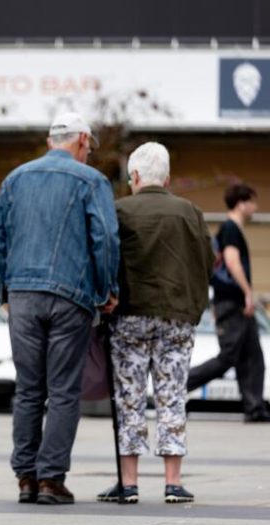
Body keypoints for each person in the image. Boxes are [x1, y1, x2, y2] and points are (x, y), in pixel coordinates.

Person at [0, 111, 119, 505]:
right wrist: (106, 289)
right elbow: (106, 240)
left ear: (50, 142)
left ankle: (25, 477)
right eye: (89, 147)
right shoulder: (92, 181)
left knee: (28, 389)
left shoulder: (16, 179)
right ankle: (50, 480)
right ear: (81, 141)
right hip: (70, 297)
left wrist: (6, 290)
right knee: (63, 390)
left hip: (23, 295)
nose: (89, 154)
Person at [96, 142, 213, 505]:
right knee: (172, 396)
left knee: (129, 397)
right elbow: (207, 261)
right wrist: (193, 307)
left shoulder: (119, 210)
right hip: (177, 318)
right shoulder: (189, 211)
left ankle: (128, 483)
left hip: (129, 315)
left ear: (134, 176)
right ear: (167, 177)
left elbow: (106, 257)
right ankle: (173, 482)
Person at [186, 184, 270, 423]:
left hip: (232, 302)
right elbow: (232, 263)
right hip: (233, 302)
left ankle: (255, 408)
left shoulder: (232, 229)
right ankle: (179, 385)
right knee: (228, 357)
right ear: (242, 203)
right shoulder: (231, 229)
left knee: (253, 355)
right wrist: (247, 292)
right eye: (253, 202)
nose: (256, 207)